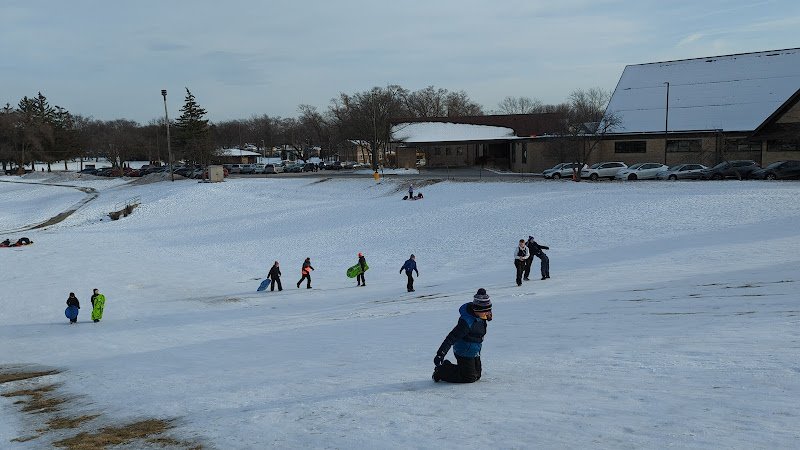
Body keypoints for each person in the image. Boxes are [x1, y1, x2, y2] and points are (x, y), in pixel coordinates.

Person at [432, 288, 492, 383]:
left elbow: (486, 311)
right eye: (485, 311)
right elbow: (451, 337)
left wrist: (488, 314)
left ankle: (450, 367)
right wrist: (440, 354)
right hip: (463, 351)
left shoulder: (481, 314)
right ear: (476, 309)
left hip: (475, 349)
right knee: (469, 377)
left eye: (488, 311)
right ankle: (441, 371)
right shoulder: (466, 323)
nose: (487, 313)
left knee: (477, 375)